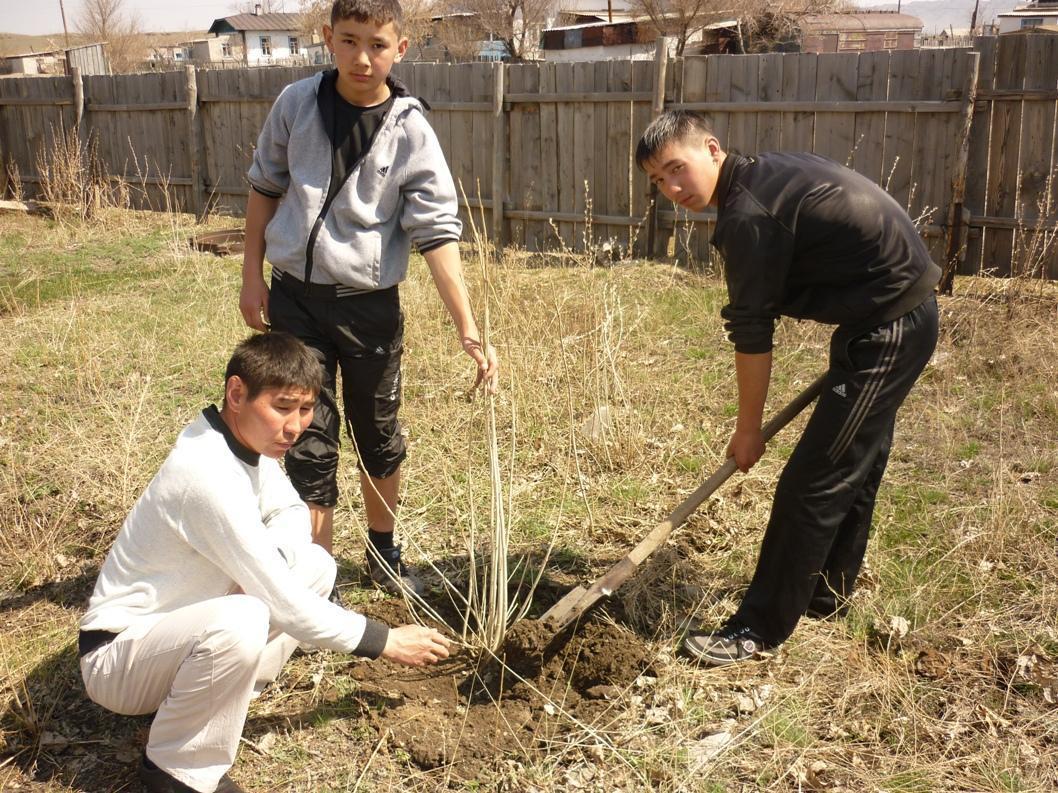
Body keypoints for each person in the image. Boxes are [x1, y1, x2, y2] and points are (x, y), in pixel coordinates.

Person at [78, 333, 451, 793]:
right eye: (282, 407)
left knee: (313, 564)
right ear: (237, 394)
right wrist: (383, 640)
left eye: (306, 409)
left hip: (175, 635)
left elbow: (291, 511)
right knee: (247, 614)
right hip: (118, 661)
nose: (295, 427)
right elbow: (284, 604)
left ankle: (213, 698)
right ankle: (177, 770)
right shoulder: (206, 474)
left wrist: (269, 558)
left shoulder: (246, 444)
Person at [636, 111, 940, 667]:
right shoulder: (758, 178)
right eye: (658, 180)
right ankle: (826, 594)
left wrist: (748, 429)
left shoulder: (749, 215)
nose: (672, 189)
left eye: (677, 169)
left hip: (890, 327)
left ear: (711, 148)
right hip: (883, 315)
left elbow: (752, 330)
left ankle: (757, 629)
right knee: (856, 461)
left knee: (812, 482)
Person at [240, 0, 499, 598]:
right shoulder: (294, 105)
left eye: (377, 45)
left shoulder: (410, 129)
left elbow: (437, 231)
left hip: (368, 308)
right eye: (350, 41)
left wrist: (467, 325)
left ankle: (383, 554)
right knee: (305, 436)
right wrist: (252, 276)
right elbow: (263, 189)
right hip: (295, 301)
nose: (362, 57)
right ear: (328, 38)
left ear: (400, 49)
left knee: (378, 432)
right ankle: (315, 576)